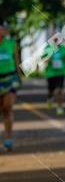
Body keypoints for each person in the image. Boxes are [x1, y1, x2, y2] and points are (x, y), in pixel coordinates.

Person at [0, 22, 24, 151]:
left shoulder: (11, 44)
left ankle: (8, 139)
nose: (4, 31)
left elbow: (16, 61)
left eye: (5, 29)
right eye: (3, 29)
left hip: (10, 78)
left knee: (7, 108)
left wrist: (19, 77)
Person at [44, 39, 65, 116]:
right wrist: (49, 59)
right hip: (51, 73)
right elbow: (45, 60)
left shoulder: (63, 49)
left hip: (61, 72)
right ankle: (50, 98)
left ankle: (60, 107)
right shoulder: (48, 48)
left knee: (59, 90)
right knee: (51, 90)